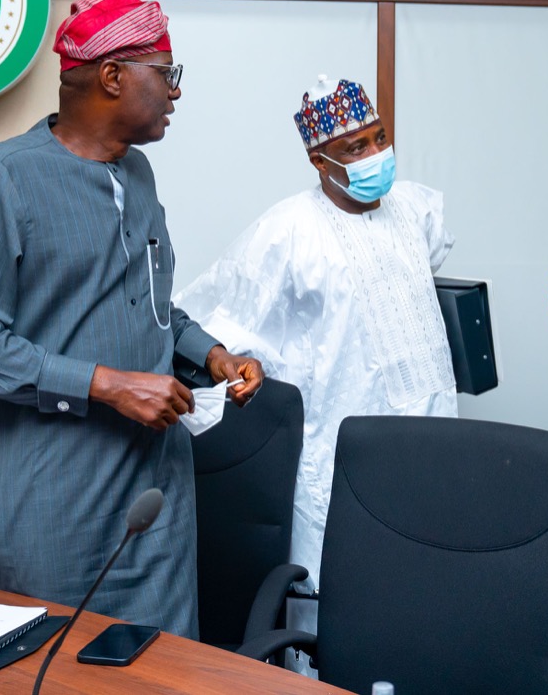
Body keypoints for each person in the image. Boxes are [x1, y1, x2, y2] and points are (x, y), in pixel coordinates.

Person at [0, 0, 263, 639]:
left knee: (159, 677)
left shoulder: (137, 174)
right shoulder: (1, 179)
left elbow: (146, 302)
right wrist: (106, 384)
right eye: (166, 75)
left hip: (153, 509)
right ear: (113, 76)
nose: (176, 93)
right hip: (49, 512)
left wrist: (212, 356)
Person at [174, 75, 458, 665]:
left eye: (379, 138)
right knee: (331, 621)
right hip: (336, 461)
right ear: (317, 157)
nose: (375, 155)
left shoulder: (417, 208)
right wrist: (233, 365)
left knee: (423, 604)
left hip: (431, 443)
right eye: (355, 148)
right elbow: (213, 318)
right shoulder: (286, 231)